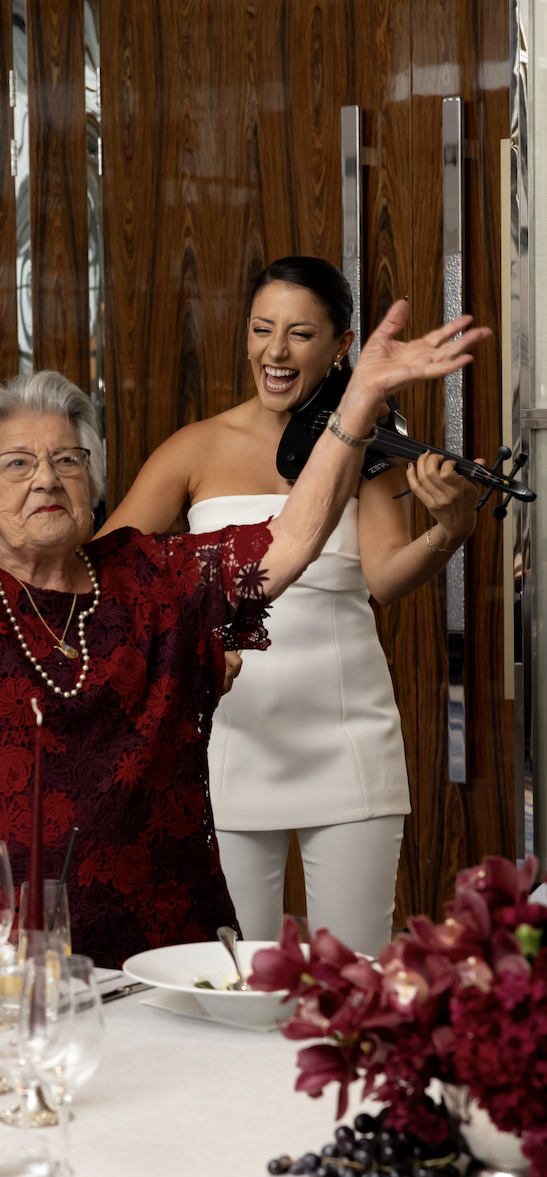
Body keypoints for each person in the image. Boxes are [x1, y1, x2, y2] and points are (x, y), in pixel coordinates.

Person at [0, 235, 485, 968]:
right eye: (16, 463)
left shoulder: (151, 577)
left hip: (154, 957)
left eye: (68, 460)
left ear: (95, 481)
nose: (46, 480)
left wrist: (360, 402)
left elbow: (290, 542)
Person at [99, 257, 483, 956]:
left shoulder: (364, 447)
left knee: (354, 976)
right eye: (261, 329)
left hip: (348, 741)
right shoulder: (196, 447)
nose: (275, 353)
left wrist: (450, 531)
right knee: (232, 973)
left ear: (343, 346)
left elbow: (388, 577)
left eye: (300, 334)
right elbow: (106, 573)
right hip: (227, 741)